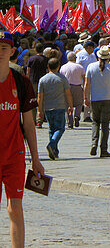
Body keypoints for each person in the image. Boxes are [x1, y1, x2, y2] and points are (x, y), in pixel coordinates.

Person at [0, 31, 44, 248]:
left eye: (4, 48)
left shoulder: (21, 81)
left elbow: (29, 124)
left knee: (15, 207)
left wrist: (36, 159)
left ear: (12, 52)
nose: (0, 53)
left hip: (14, 155)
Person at [84, 45, 110, 157]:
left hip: (95, 99)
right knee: (105, 125)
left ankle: (93, 144)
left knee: (95, 123)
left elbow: (87, 84)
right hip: (108, 99)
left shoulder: (91, 67)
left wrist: (86, 97)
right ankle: (103, 149)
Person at [36, 54, 73, 160]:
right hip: (59, 107)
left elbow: (40, 96)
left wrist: (40, 110)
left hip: (47, 108)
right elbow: (68, 93)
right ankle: (52, 145)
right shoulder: (62, 78)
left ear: (48, 66)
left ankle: (54, 152)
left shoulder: (43, 79)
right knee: (60, 129)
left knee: (51, 130)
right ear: (58, 66)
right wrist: (70, 105)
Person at [60, 51, 85, 128]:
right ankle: (77, 116)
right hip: (77, 86)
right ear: (75, 58)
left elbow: (61, 78)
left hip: (67, 87)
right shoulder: (79, 67)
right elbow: (84, 77)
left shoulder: (63, 67)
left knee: (67, 105)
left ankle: (70, 122)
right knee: (79, 104)